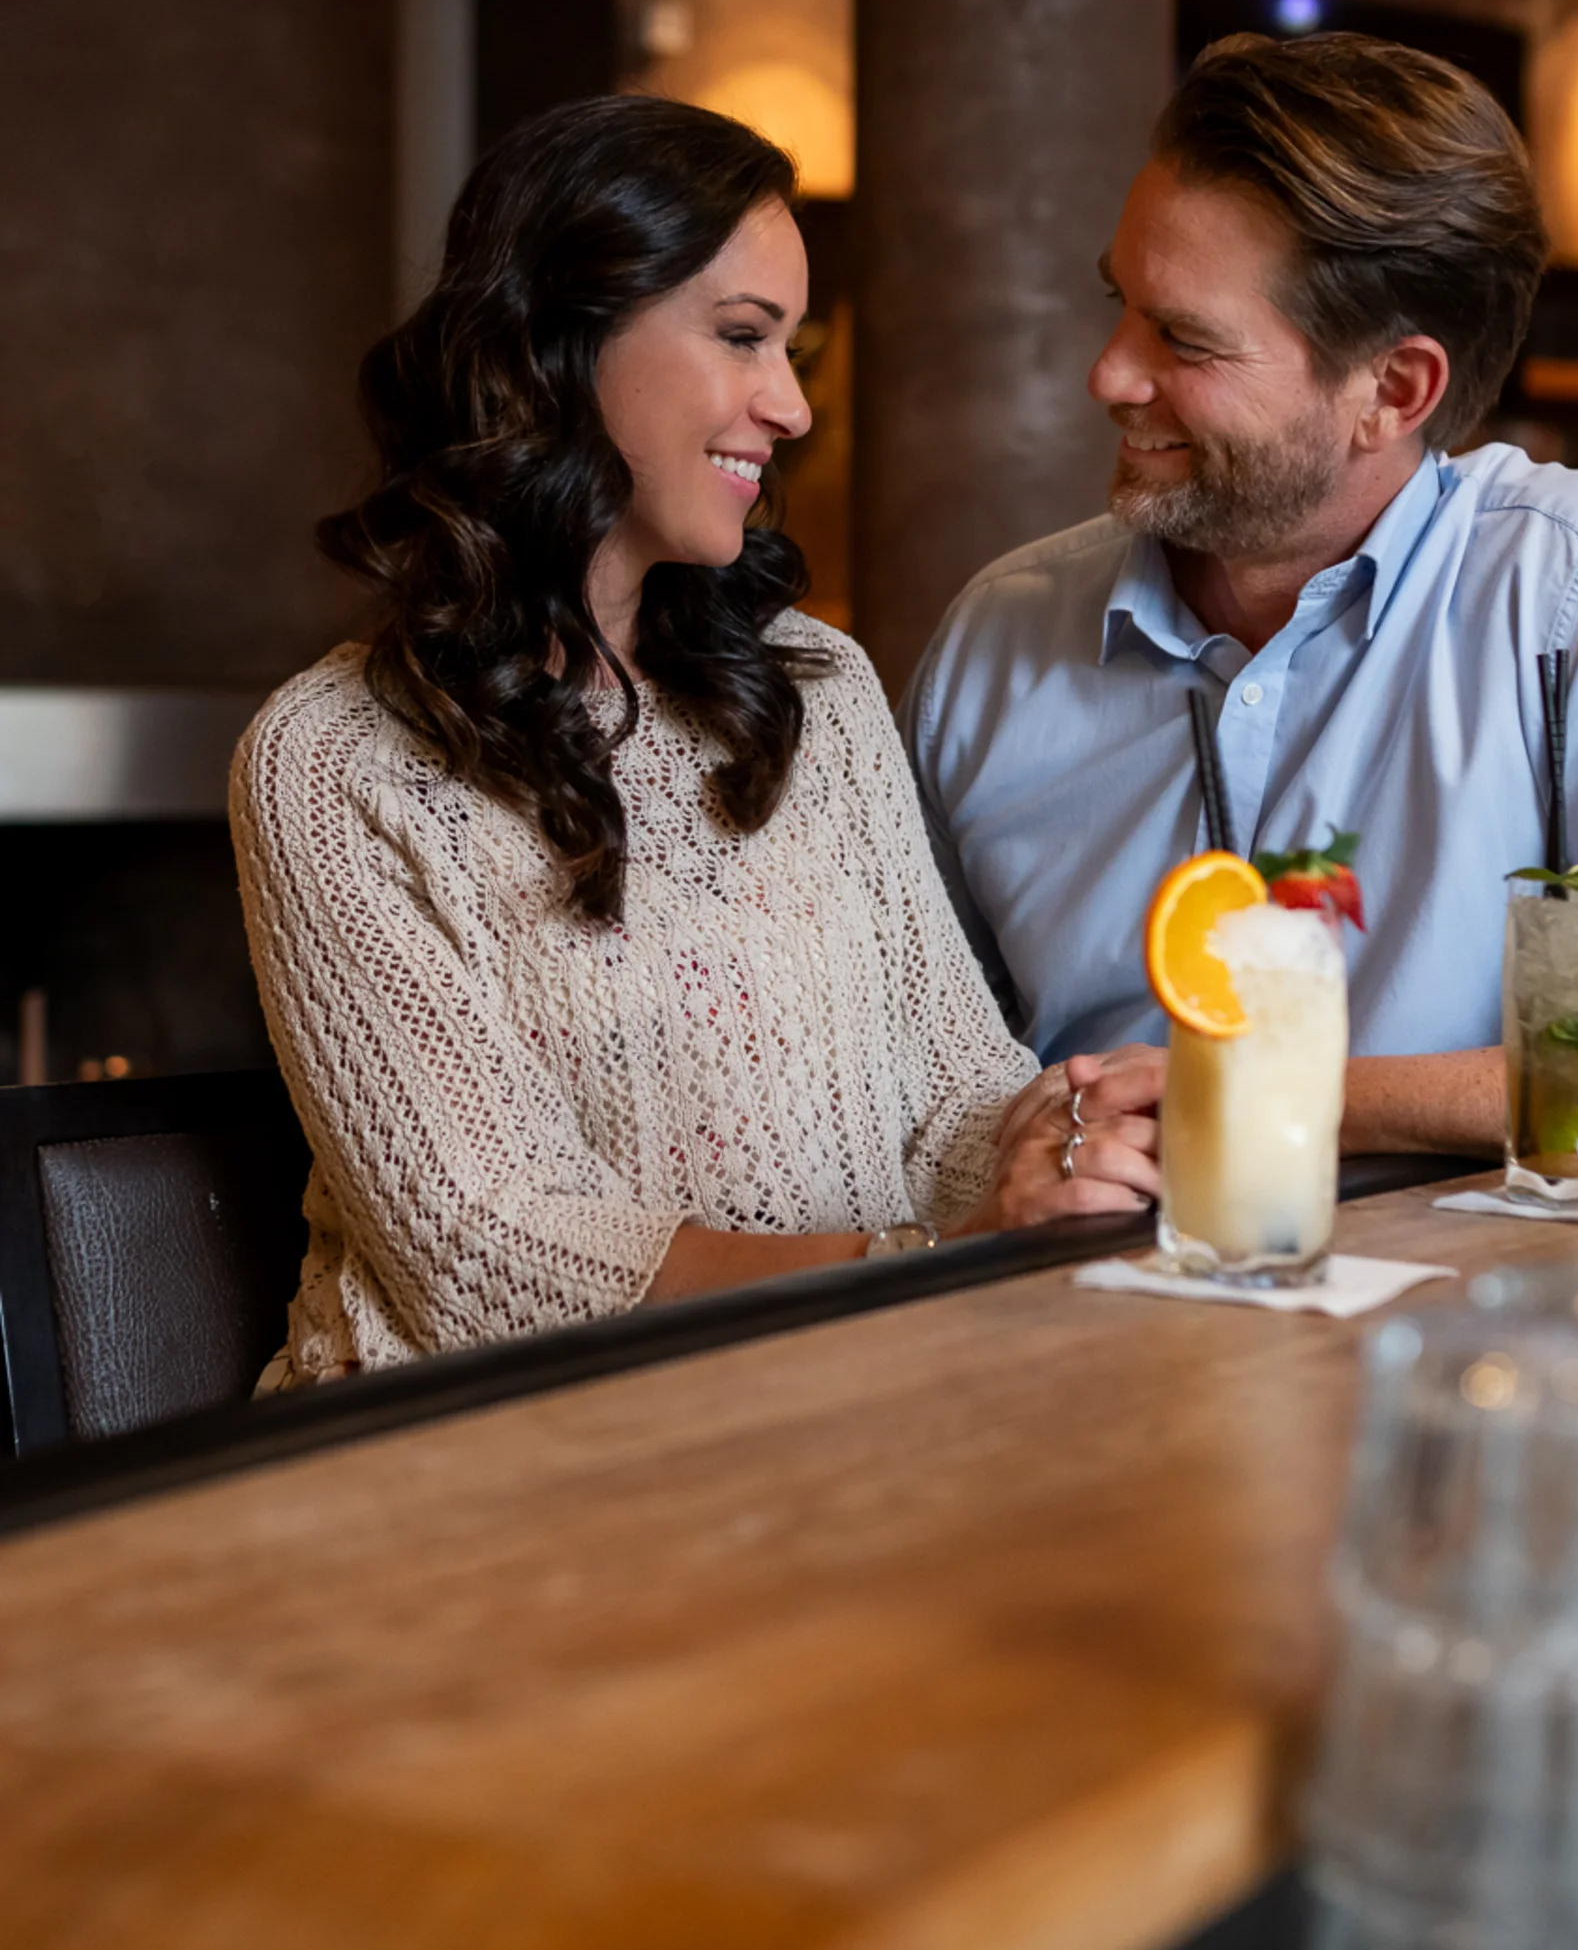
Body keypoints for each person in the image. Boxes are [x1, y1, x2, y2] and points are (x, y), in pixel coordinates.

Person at [232, 96, 1160, 1383]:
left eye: (791, 347)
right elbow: (484, 1259)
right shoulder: (334, 758)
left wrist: (1057, 1138)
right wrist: (914, 1261)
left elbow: (954, 1093)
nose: (791, 407)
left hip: (825, 1410)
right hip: (459, 1467)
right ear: (558, 344)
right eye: (741, 337)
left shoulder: (818, 690)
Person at [903, 32, 1578, 1171]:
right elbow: (911, 1101)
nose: (1110, 374)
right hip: (1049, 1326)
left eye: (1183, 339)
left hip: (1468, 1338)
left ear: (1394, 388)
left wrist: (1286, 1094)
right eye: (1119, 302)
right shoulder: (997, 639)